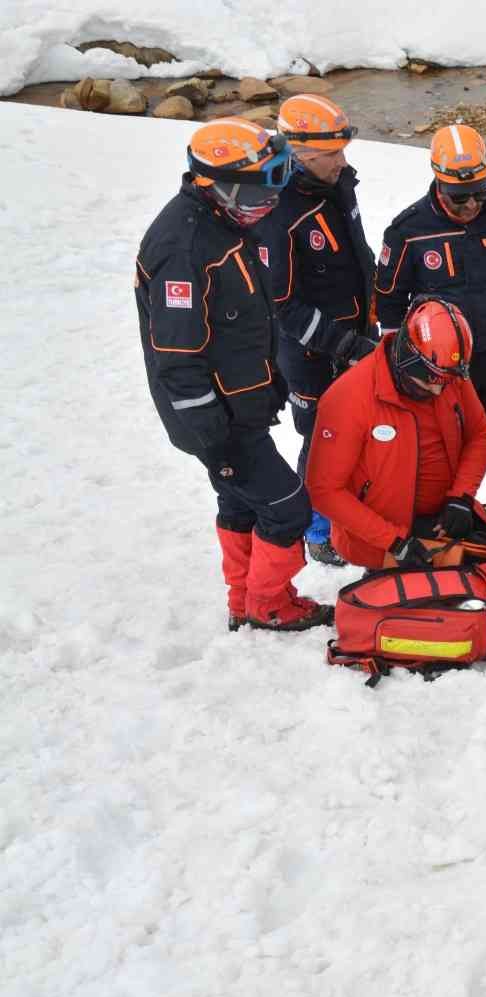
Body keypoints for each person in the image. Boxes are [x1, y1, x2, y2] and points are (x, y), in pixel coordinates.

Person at [134, 117, 331, 632]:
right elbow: (177, 355)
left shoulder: (227, 223)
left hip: (243, 400)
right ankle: (270, 604)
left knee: (241, 503)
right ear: (215, 185)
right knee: (287, 507)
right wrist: (211, 432)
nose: (265, 208)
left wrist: (267, 389)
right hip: (216, 417)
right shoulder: (183, 248)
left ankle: (245, 599)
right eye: (255, 197)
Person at [373, 123, 486, 487]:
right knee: (445, 449)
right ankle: (456, 526)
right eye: (460, 197)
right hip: (440, 364)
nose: (471, 205)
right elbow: (389, 301)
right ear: (440, 183)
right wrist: (393, 362)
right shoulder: (408, 230)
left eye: (480, 194)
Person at [262, 94, 378, 567]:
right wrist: (341, 343)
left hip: (357, 337)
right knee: (321, 443)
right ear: (301, 154)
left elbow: (357, 252)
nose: (342, 160)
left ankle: (357, 513)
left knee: (363, 435)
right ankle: (317, 529)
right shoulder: (278, 211)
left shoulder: (338, 184)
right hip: (311, 356)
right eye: (332, 153)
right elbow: (281, 304)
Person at [305, 298, 486, 569]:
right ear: (407, 359)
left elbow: (480, 434)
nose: (438, 392)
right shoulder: (347, 398)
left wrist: (461, 496)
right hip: (381, 539)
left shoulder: (446, 374)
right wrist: (393, 541)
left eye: (445, 383)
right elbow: (323, 490)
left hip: (442, 523)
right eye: (428, 383)